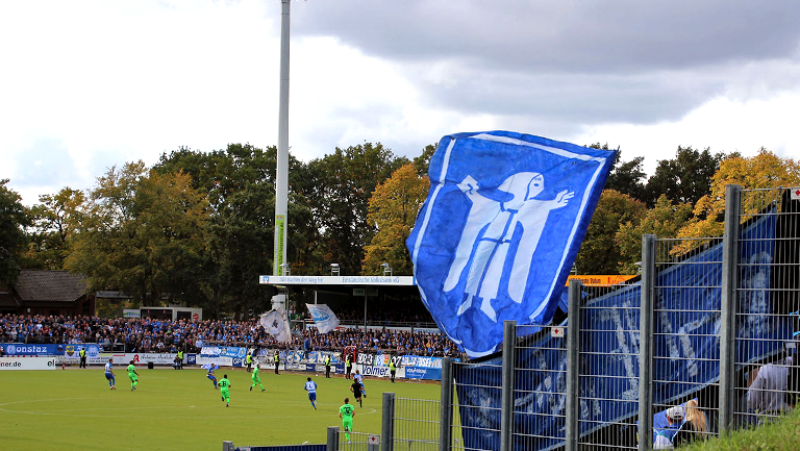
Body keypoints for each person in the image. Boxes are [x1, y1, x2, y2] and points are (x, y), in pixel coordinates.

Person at [747, 356, 793, 423]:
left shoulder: (764, 370)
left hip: (767, 421)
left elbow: (751, 401)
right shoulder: (794, 364)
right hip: (791, 421)